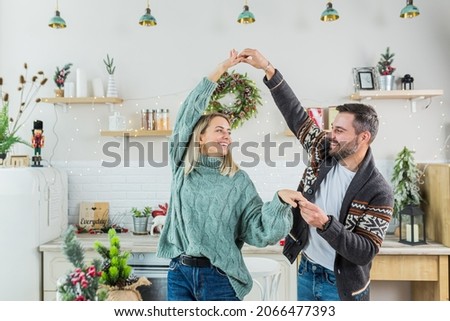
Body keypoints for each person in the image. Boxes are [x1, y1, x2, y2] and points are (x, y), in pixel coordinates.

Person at [239, 48, 394, 301]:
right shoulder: (324, 150)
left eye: (341, 131)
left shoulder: (378, 190)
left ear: (363, 137)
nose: (332, 135)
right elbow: (296, 115)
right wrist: (268, 68)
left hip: (341, 286)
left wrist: (325, 224)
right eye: (333, 128)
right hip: (307, 271)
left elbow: (365, 251)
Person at [156, 50, 303, 301]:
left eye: (229, 131)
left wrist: (278, 202)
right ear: (200, 136)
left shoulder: (238, 181)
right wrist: (222, 67)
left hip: (219, 277)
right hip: (179, 273)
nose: (227, 136)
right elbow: (186, 115)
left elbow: (258, 230)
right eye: (219, 130)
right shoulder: (182, 166)